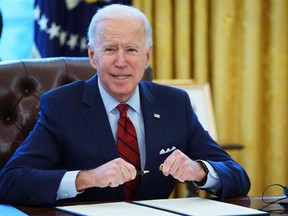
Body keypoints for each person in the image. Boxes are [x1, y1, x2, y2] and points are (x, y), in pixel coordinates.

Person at [0, 4, 250, 206]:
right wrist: (86, 178)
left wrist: (199, 171)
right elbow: (10, 181)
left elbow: (237, 176)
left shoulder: (175, 104)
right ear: (92, 56)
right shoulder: (61, 106)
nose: (121, 62)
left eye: (131, 49)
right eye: (110, 49)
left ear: (147, 56)